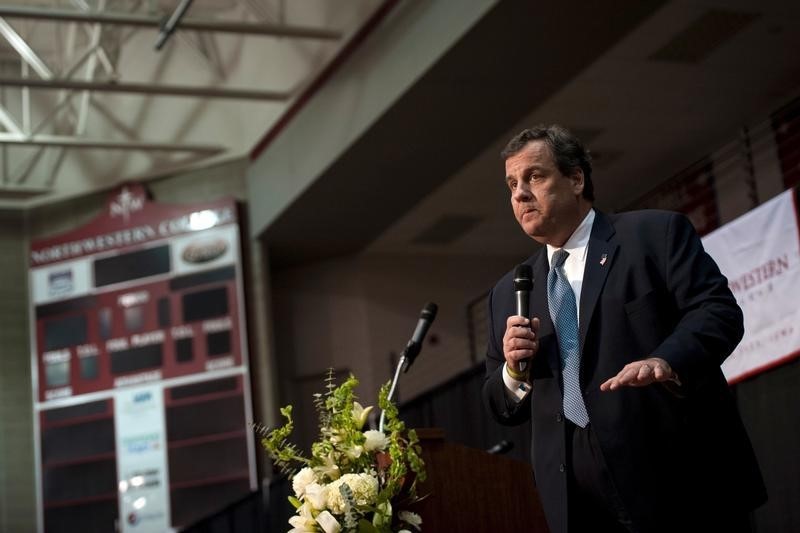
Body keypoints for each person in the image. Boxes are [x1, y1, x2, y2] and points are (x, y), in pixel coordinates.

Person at [482, 125, 766, 533]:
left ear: (576, 178)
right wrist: (513, 371)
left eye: (535, 177)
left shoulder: (653, 235)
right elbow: (498, 405)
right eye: (511, 184)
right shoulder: (507, 293)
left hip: (678, 484)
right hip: (577, 505)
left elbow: (717, 311)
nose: (520, 194)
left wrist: (666, 359)